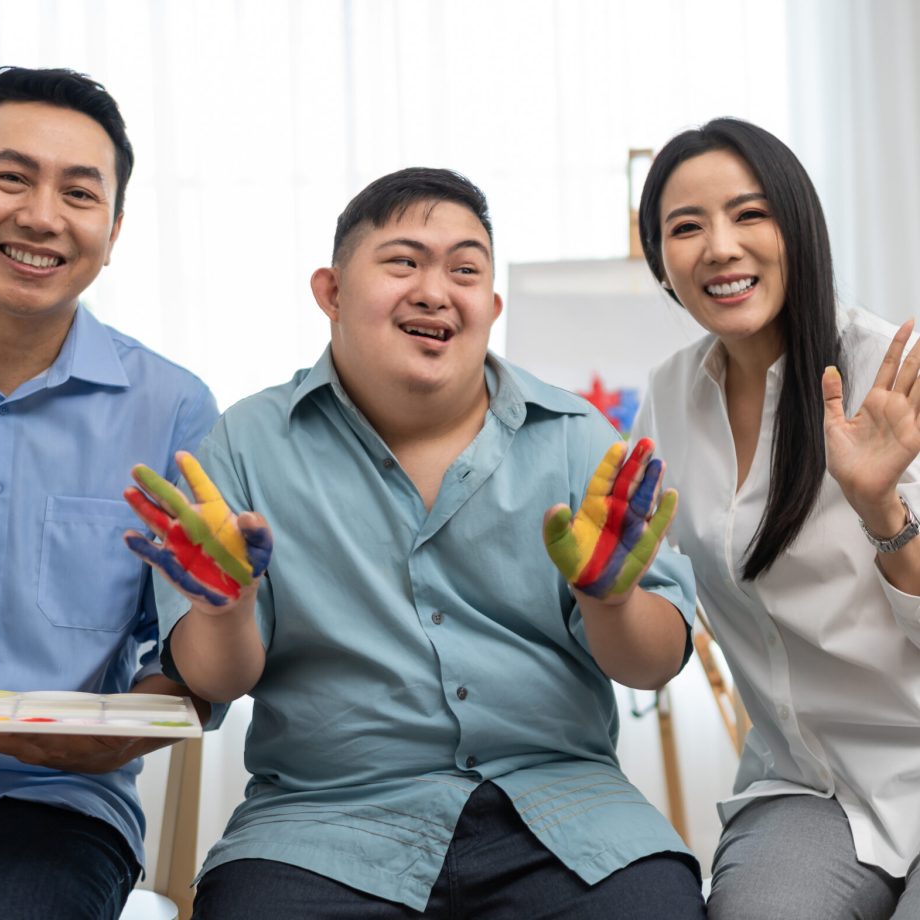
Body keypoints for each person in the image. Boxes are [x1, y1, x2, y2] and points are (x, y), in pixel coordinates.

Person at [125, 167, 708, 918]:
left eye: (464, 270)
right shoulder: (247, 443)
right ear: (331, 292)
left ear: (491, 307)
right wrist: (225, 609)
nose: (436, 290)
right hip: (321, 828)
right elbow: (218, 679)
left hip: (568, 816)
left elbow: (651, 664)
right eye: (403, 262)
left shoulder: (577, 440)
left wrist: (613, 598)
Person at [0, 66, 218, 920]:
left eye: (78, 193)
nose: (41, 216)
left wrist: (122, 725)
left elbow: (191, 655)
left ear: (113, 230)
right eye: (11, 177)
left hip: (52, 807)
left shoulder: (174, 410)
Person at [632, 117, 920, 919]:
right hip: (807, 786)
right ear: (663, 264)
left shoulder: (889, 373)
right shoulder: (667, 397)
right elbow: (650, 592)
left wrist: (880, 509)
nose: (720, 247)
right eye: (685, 227)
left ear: (798, 225)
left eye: (749, 214)